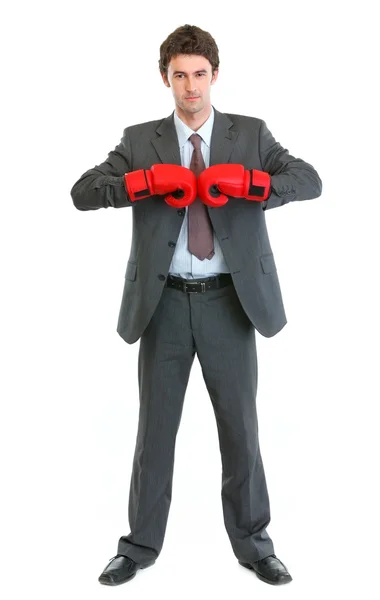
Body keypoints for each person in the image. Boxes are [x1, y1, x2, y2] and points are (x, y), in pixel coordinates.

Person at [70, 24, 322, 587]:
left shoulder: (250, 134)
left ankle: (255, 545)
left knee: (241, 430)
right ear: (165, 78)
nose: (190, 87)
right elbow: (83, 191)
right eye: (179, 75)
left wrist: (254, 183)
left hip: (230, 302)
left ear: (215, 75)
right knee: (155, 432)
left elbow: (309, 180)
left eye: (199, 74)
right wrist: (141, 181)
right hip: (163, 303)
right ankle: (137, 548)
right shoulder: (141, 140)